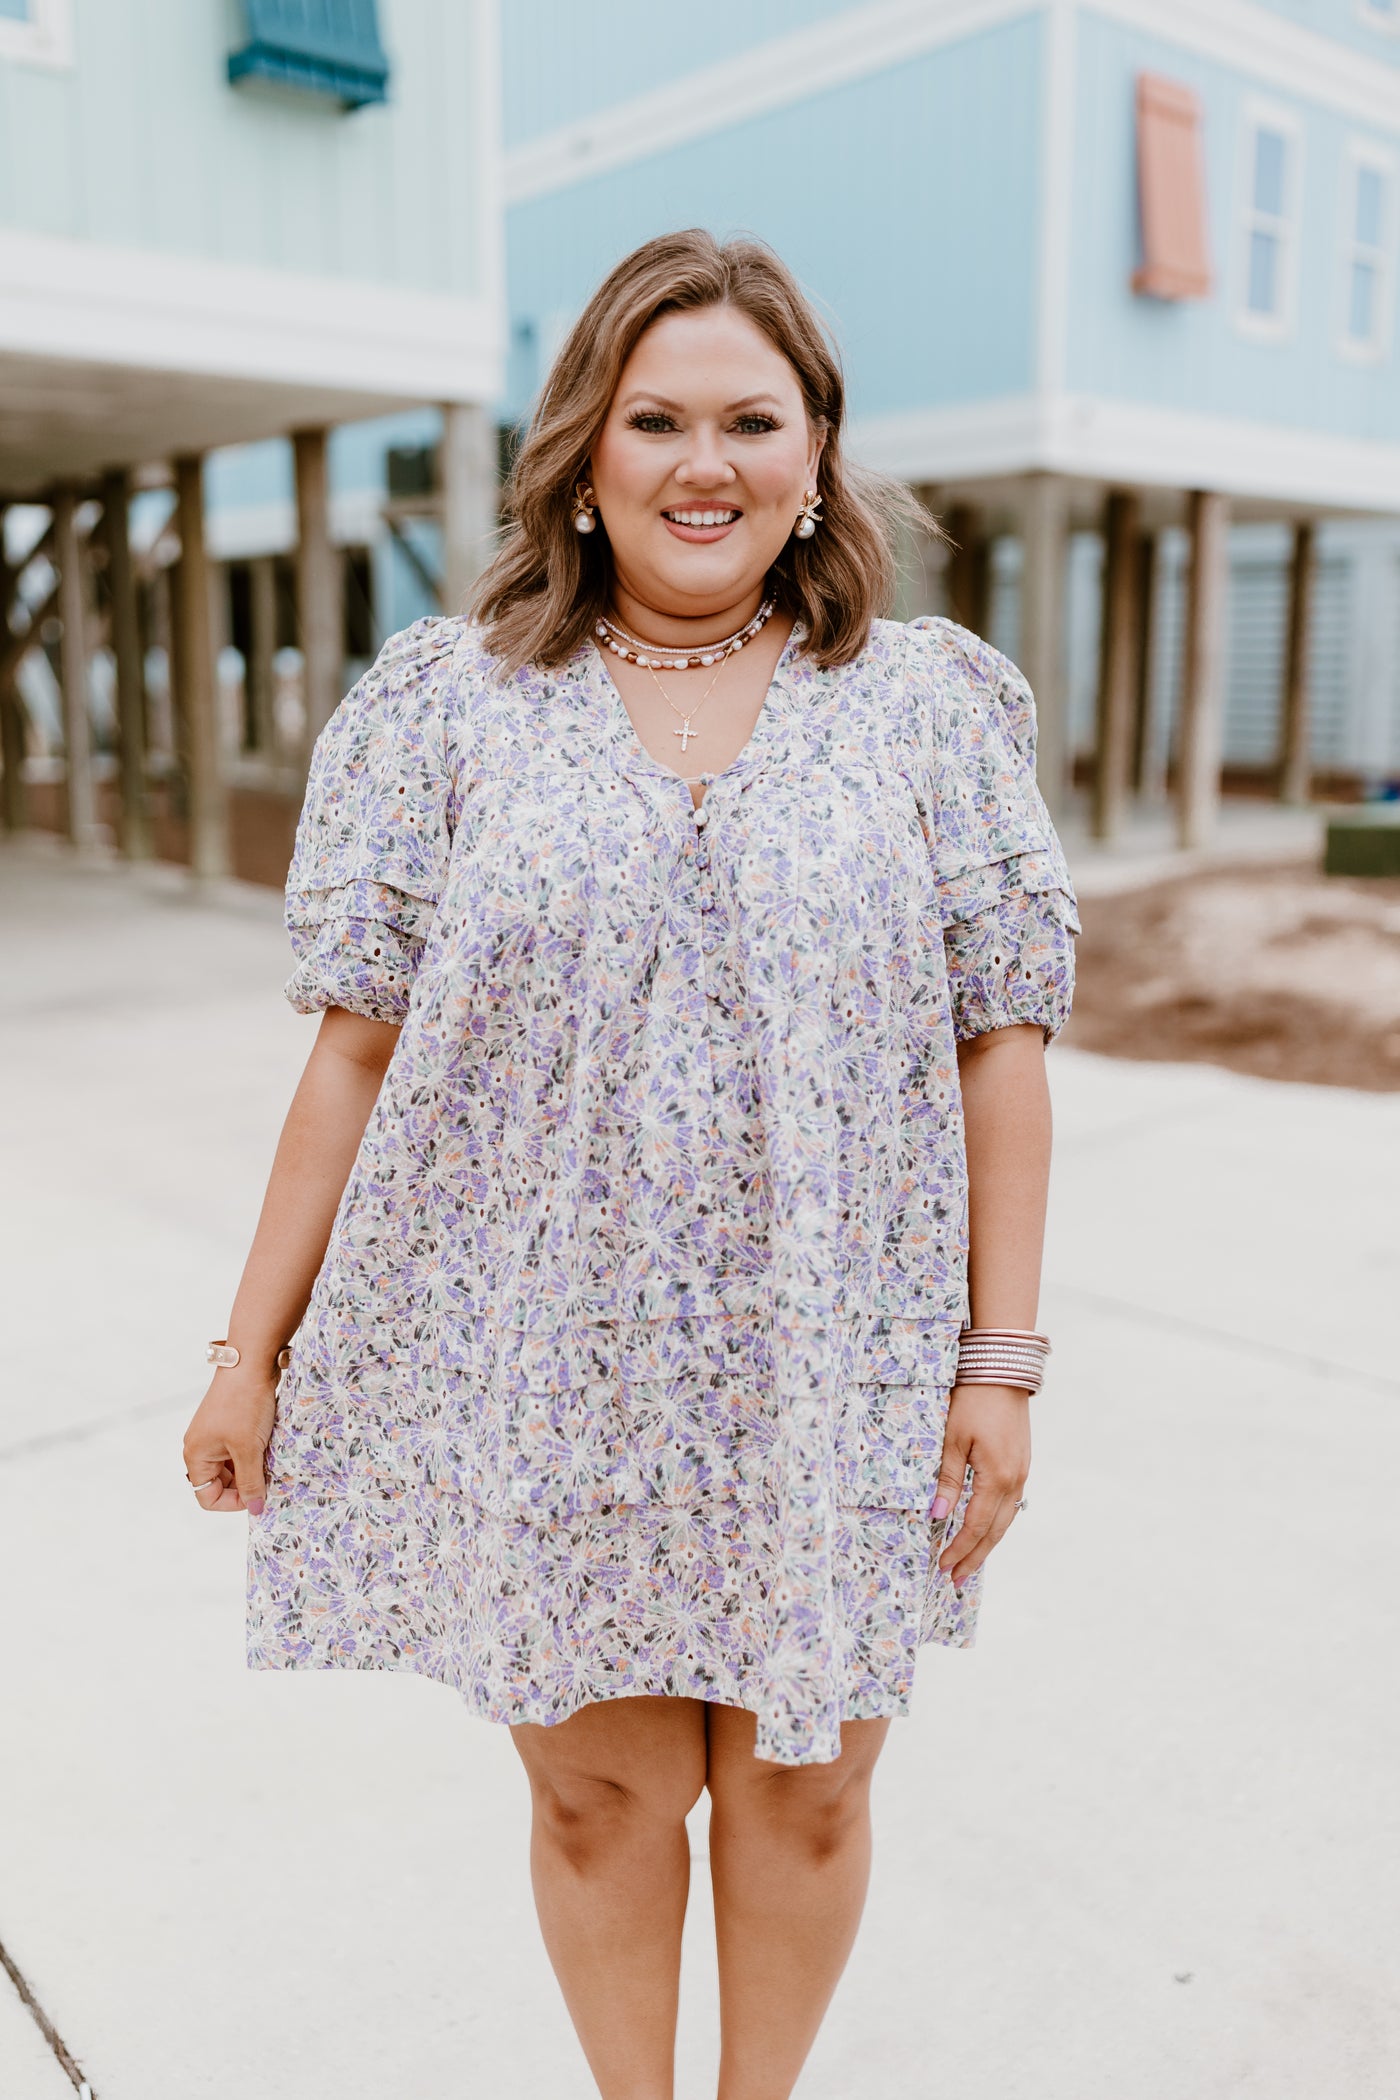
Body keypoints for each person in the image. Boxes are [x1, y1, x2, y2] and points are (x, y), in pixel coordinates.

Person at [182, 228, 1079, 2100]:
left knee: (807, 1784)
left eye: (751, 419)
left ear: (816, 452)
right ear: (583, 454)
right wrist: (248, 1350)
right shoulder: (448, 707)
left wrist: (1001, 1363)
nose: (705, 462)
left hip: (836, 1362)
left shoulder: (926, 708)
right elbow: (354, 1049)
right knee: (603, 1793)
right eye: (654, 416)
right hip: (547, 1367)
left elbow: (1005, 1040)